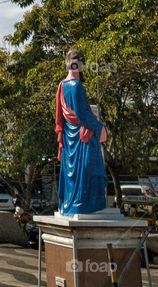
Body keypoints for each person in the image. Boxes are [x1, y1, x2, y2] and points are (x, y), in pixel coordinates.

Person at [55, 49, 108, 215]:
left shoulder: (63, 85)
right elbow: (82, 114)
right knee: (91, 169)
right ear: (69, 63)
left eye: (79, 59)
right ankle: (84, 204)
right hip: (82, 137)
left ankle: (73, 204)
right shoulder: (75, 86)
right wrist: (100, 127)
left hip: (72, 138)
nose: (77, 62)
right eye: (74, 59)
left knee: (78, 173)